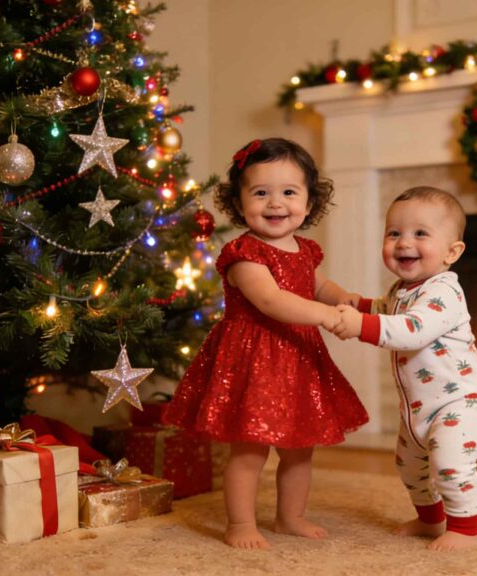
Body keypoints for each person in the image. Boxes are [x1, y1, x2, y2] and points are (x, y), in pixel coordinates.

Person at [163, 138, 369, 549]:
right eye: (261, 192)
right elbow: (272, 301)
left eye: (289, 192)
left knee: (299, 448)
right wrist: (327, 316)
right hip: (255, 358)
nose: (276, 203)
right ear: (239, 204)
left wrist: (345, 300)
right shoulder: (245, 254)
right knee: (251, 448)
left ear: (309, 204)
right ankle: (240, 523)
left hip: (298, 357)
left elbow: (319, 285)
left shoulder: (305, 250)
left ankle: (290, 516)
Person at [332, 186, 477, 551]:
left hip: (458, 404)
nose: (404, 242)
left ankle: (467, 528)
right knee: (410, 467)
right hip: (418, 408)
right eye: (394, 233)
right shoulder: (401, 290)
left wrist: (359, 326)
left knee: (451, 465)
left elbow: (412, 329)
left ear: (453, 252)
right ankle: (430, 519)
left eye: (420, 233)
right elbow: (383, 310)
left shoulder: (445, 292)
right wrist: (352, 304)